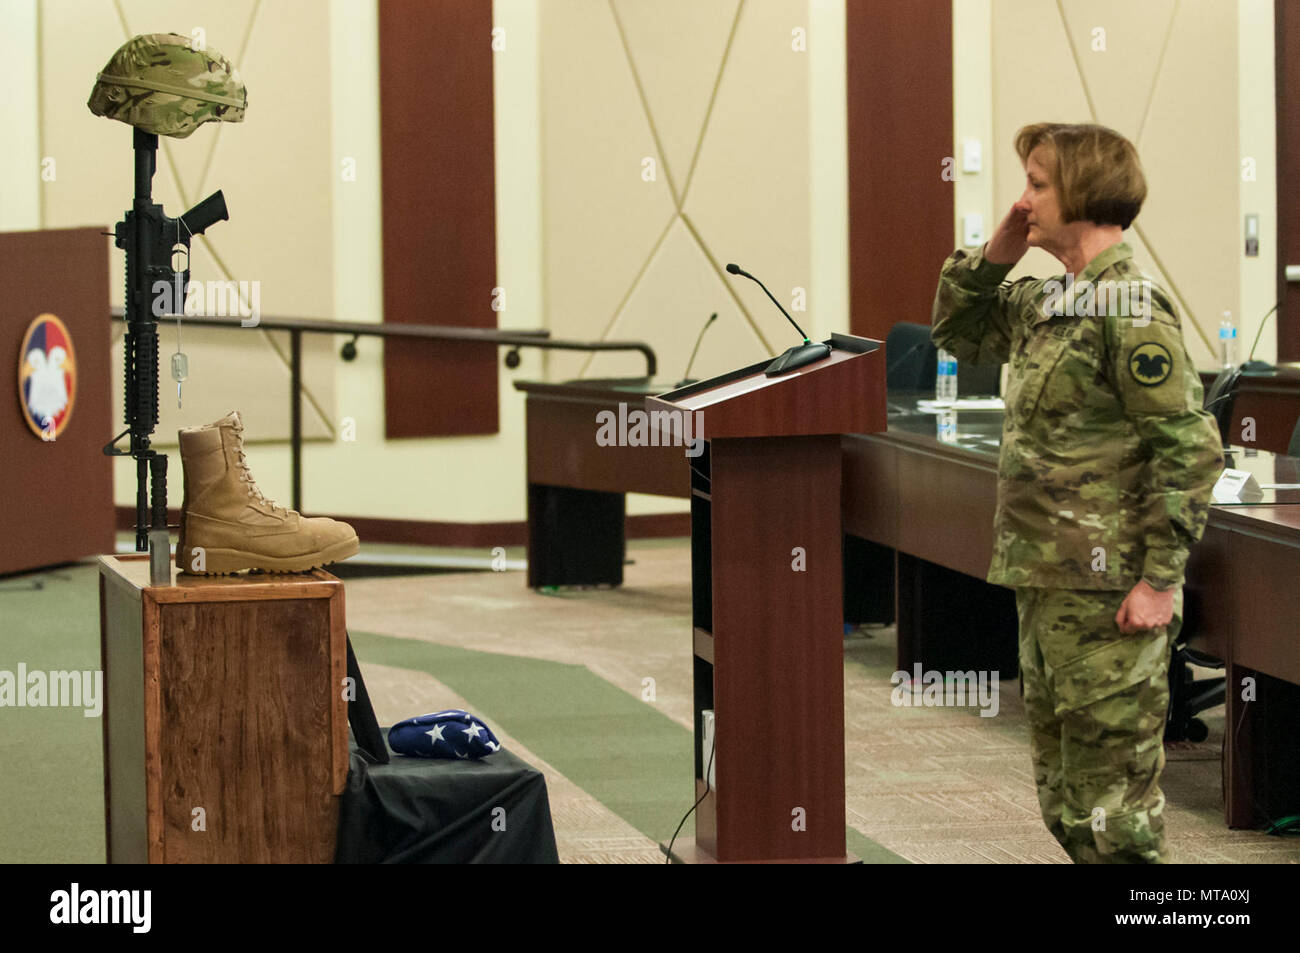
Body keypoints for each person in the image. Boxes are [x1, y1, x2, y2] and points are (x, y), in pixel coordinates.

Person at [931, 122, 1223, 863]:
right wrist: (999, 251)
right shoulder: (1045, 302)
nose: (1023, 200)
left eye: (1038, 184)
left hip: (1110, 591)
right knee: (1067, 804)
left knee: (1116, 819)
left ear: (1086, 195)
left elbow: (1190, 450)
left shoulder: (1131, 309)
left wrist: (1160, 579)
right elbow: (955, 331)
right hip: (1045, 580)